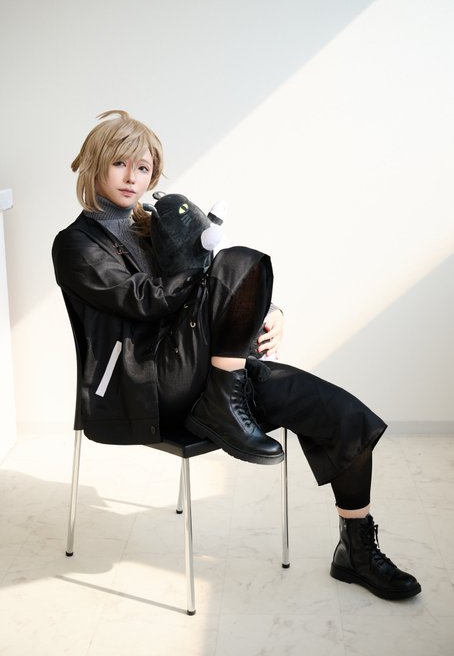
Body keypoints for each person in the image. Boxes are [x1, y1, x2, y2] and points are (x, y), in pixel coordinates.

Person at [52, 109, 421, 601]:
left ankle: (355, 550)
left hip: (208, 373)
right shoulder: (74, 244)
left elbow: (214, 282)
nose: (132, 177)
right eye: (120, 163)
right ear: (95, 163)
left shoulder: (153, 225)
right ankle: (225, 402)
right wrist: (211, 268)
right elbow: (145, 301)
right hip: (146, 388)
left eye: (142, 167)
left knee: (342, 414)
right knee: (238, 259)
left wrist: (270, 310)